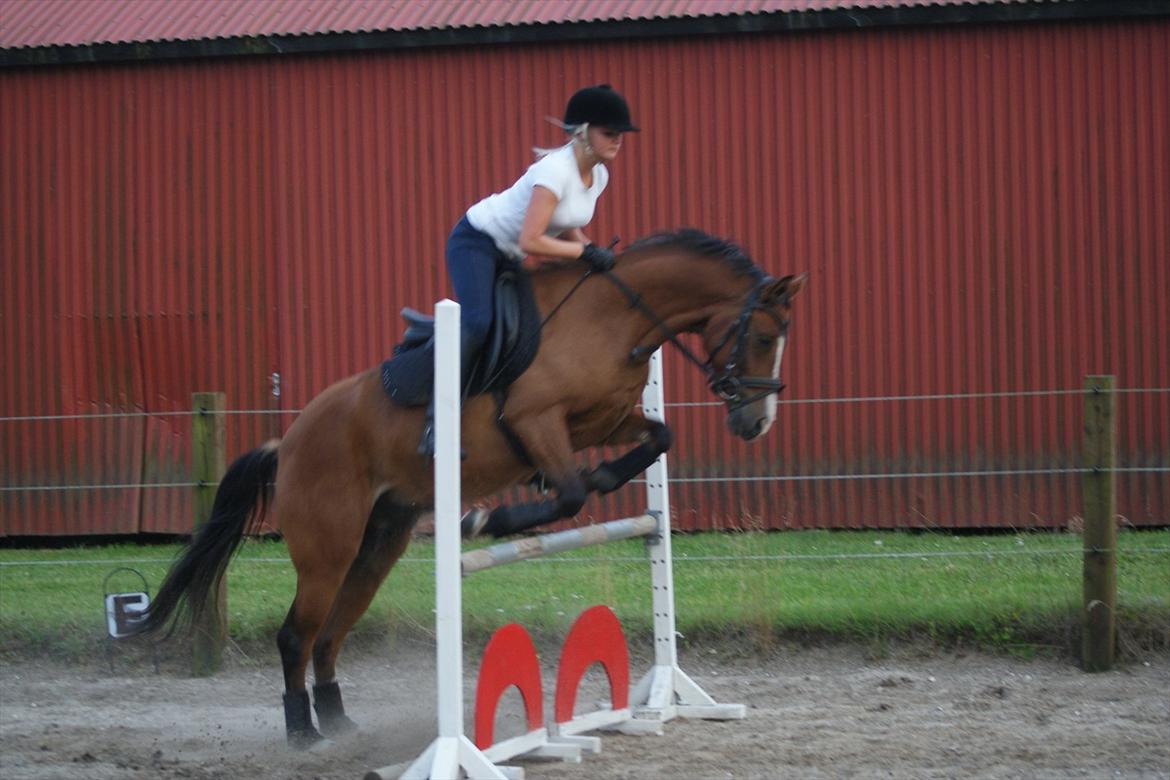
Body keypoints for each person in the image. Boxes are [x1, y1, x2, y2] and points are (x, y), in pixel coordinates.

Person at [445, 84, 639, 376]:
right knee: (478, 323)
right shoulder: (554, 172)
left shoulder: (599, 175)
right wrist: (583, 251)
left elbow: (566, 222)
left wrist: (592, 251)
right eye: (609, 134)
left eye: (619, 135)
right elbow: (531, 240)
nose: (617, 141)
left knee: (529, 325)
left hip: (508, 254)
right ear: (582, 133)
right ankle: (439, 399)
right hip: (476, 242)